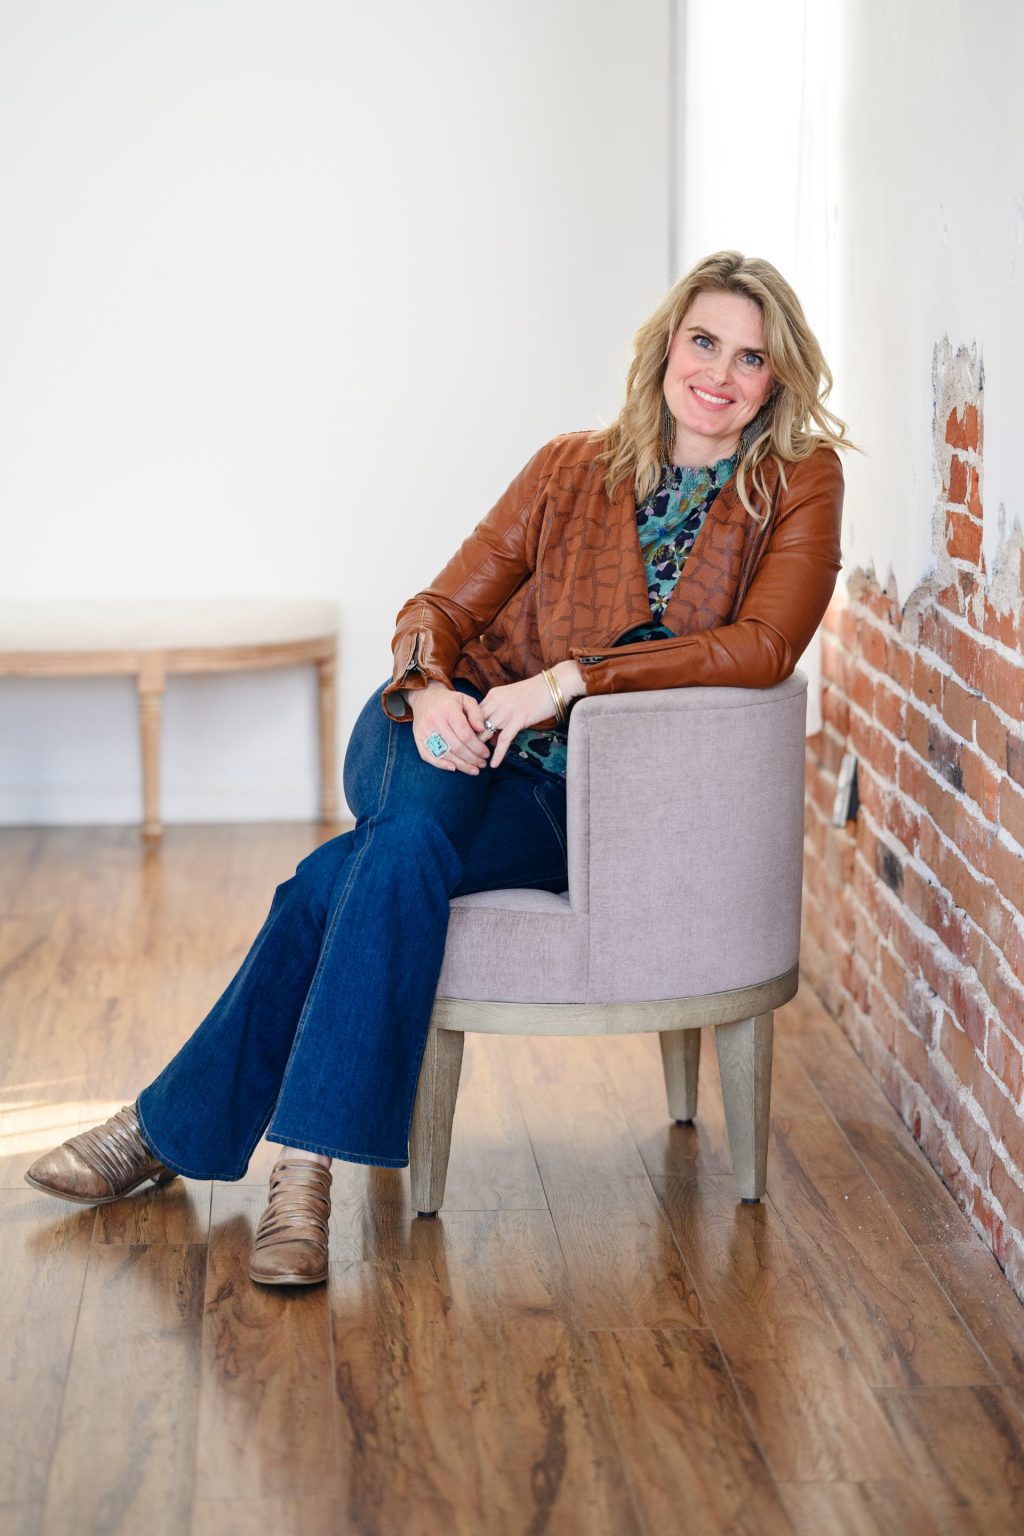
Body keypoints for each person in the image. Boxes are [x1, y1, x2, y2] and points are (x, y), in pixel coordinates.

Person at [24, 250, 851, 1287]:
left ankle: (175, 1132)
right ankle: (299, 1177)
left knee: (356, 872)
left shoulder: (797, 485)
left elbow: (765, 646)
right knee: (410, 828)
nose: (721, 373)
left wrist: (565, 682)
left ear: (777, 378)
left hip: (560, 797)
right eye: (703, 342)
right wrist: (428, 690)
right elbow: (440, 608)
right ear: (666, 348)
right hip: (433, 732)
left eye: (751, 356)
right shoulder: (568, 466)